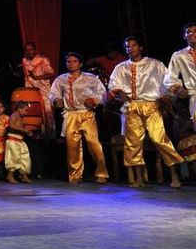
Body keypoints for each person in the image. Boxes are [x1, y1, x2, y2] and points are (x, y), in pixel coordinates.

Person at [109, 36, 184, 188]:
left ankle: (175, 176)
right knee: (133, 143)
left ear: (140, 47)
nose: (130, 48)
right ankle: (139, 178)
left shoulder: (154, 64)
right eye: (127, 46)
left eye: (133, 45)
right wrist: (118, 92)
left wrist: (165, 97)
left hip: (151, 105)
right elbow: (113, 85)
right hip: (132, 106)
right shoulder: (121, 67)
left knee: (159, 139)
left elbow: (167, 81)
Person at [49, 52, 109, 184]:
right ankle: (75, 175)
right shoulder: (61, 79)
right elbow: (53, 94)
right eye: (68, 61)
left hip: (87, 114)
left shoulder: (91, 78)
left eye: (74, 61)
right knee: (72, 146)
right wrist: (56, 100)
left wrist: (94, 100)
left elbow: (102, 94)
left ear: (80, 63)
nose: (71, 64)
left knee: (94, 144)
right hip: (71, 115)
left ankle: (101, 173)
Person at [164, 22, 196, 131]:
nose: (192, 34)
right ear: (184, 36)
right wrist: (177, 88)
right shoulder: (179, 55)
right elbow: (169, 77)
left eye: (195, 31)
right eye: (189, 32)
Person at [21, 41, 55, 137]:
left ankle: (51, 135)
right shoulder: (24, 60)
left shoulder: (43, 59)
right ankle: (37, 133)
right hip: (31, 89)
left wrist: (37, 78)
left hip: (43, 89)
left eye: (31, 49)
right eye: (27, 50)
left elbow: (51, 73)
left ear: (35, 49)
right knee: (34, 111)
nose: (29, 52)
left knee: (47, 112)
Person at [5, 102, 33, 184]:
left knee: (25, 158)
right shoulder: (14, 115)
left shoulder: (20, 117)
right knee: (14, 158)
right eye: (25, 110)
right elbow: (11, 125)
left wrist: (27, 132)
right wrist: (23, 130)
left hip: (20, 140)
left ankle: (24, 176)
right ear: (19, 109)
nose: (26, 113)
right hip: (13, 140)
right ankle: (9, 175)